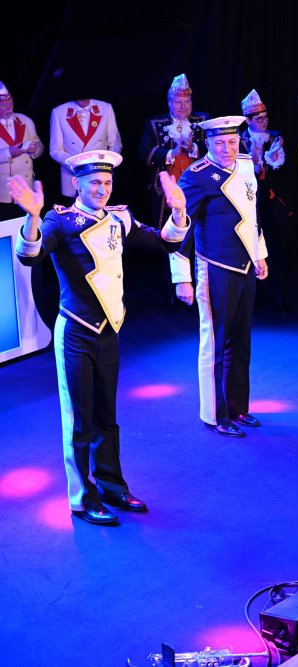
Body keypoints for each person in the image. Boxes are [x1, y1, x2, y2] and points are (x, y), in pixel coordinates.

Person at [8, 150, 188, 525]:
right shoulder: (60, 221)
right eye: (94, 183)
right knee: (80, 420)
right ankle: (81, 497)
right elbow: (29, 256)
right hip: (75, 331)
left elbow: (164, 243)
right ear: (77, 184)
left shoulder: (119, 218)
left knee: (107, 416)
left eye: (107, 182)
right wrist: (32, 217)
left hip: (110, 331)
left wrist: (179, 211)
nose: (103, 189)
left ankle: (112, 486)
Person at [167, 115, 268, 438]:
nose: (227, 148)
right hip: (215, 266)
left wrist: (260, 254)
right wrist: (182, 277)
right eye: (220, 143)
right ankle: (214, 413)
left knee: (241, 342)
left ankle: (237, 407)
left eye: (232, 142)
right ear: (208, 143)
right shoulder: (196, 176)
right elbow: (181, 228)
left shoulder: (245, 166)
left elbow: (252, 215)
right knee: (215, 342)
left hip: (245, 265)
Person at [240, 89, 292, 313]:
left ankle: (279, 294)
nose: (264, 122)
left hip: (271, 199)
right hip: (250, 201)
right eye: (259, 119)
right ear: (248, 120)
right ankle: (254, 296)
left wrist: (271, 160)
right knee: (252, 246)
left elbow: (280, 166)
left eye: (266, 117)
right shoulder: (239, 141)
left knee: (277, 246)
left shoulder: (275, 138)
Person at [139, 73, 209, 229]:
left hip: (197, 189)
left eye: (187, 102)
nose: (184, 107)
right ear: (169, 102)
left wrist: (193, 148)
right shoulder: (154, 123)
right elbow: (144, 153)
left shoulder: (203, 121)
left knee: (197, 230)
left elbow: (213, 151)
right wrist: (172, 153)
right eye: (178, 102)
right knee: (169, 233)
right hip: (166, 193)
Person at [50, 97, 122, 199]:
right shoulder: (59, 112)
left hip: (101, 177)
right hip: (73, 178)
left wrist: (107, 165)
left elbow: (115, 142)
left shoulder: (106, 108)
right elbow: (55, 150)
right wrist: (78, 165)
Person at [0, 82, 44, 221]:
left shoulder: (25, 120)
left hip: (26, 188)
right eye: (3, 104)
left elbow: (40, 145)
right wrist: (9, 153)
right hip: (3, 192)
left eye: (10, 101)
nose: (9, 106)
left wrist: (35, 150)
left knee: (27, 226)